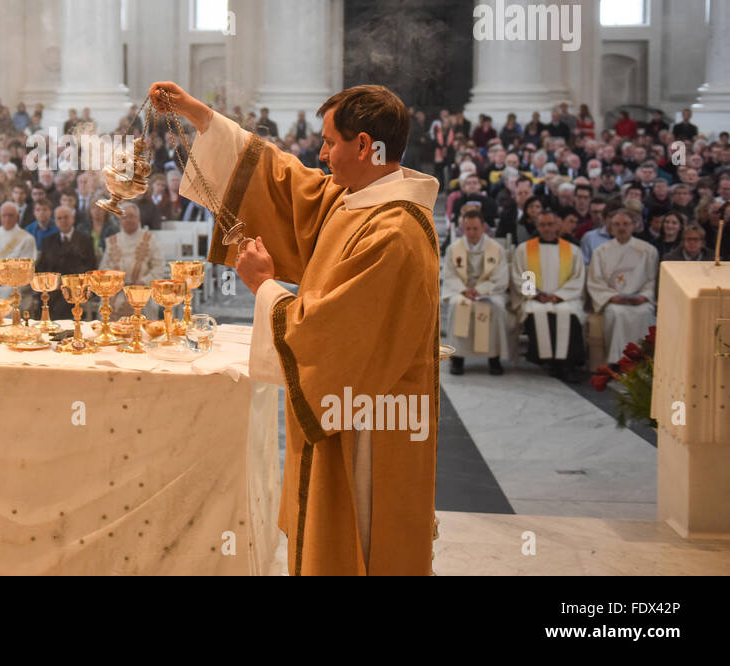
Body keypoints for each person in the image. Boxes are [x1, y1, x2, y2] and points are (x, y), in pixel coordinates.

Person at [151, 80, 440, 576]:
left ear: (366, 146)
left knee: (364, 544)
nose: (322, 155)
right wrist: (201, 117)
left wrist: (264, 286)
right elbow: (287, 181)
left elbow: (330, 334)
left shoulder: (393, 232)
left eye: (330, 143)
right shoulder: (359, 200)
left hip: (369, 424)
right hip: (351, 409)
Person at [512, 208, 587, 377]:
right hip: (536, 299)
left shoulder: (572, 250)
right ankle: (548, 362)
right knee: (538, 311)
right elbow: (522, 276)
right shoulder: (525, 250)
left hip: (564, 299)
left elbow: (576, 278)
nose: (547, 228)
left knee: (567, 313)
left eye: (551, 224)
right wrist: (537, 295)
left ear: (557, 225)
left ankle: (568, 364)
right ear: (537, 226)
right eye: (543, 225)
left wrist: (559, 296)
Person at [440, 209, 510, 376]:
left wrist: (479, 291)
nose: (472, 232)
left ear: (483, 228)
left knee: (497, 307)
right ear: (463, 229)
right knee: (458, 305)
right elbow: (449, 275)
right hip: (462, 292)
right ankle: (457, 359)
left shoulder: (496, 249)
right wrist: (464, 290)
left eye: (475, 228)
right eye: (468, 228)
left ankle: (494, 359)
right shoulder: (453, 249)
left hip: (489, 293)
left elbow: (500, 277)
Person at [587, 208, 659, 363]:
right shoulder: (601, 251)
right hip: (614, 301)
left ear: (634, 226)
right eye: (617, 224)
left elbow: (652, 280)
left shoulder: (648, 250)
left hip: (640, 301)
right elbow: (596, 281)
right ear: (610, 227)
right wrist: (612, 297)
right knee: (615, 313)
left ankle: (644, 361)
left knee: (646, 312)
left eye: (626, 224)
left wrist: (644, 296)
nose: (622, 228)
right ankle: (616, 362)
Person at [100, 201, 167, 287]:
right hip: (115, 292)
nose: (128, 220)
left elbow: (159, 267)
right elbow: (103, 268)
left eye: (131, 216)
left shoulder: (150, 239)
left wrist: (144, 281)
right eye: (124, 217)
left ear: (138, 218)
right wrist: (114, 279)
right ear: (120, 221)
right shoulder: (111, 241)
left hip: (142, 291)